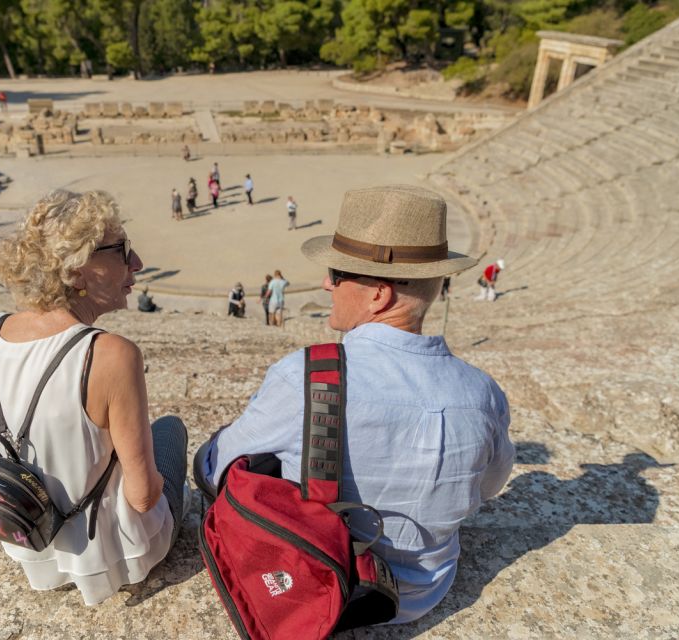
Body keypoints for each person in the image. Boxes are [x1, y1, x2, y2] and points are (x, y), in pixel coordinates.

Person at [195, 185, 513, 624]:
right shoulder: (484, 393)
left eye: (337, 273)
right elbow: (490, 487)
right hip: (430, 588)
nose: (327, 283)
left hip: (328, 585)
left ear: (378, 295)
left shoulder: (306, 377)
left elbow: (215, 472)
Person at [0, 189, 188, 605]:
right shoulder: (111, 354)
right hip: (113, 555)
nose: (137, 263)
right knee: (171, 429)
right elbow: (143, 496)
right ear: (75, 271)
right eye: (121, 250)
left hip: (31, 542)